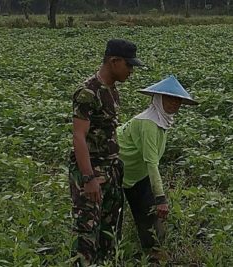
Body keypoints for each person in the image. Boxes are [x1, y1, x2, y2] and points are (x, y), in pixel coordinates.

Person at [69, 39, 144, 266]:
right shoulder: (88, 92)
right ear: (114, 61)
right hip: (92, 171)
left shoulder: (111, 90)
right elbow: (78, 136)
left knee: (109, 234)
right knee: (87, 234)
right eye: (128, 66)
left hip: (111, 170)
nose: (131, 71)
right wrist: (88, 178)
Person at [117, 75, 198, 262]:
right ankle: (113, 255)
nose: (174, 104)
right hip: (117, 169)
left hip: (138, 173)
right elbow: (151, 162)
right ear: (158, 99)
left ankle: (153, 253)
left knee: (149, 214)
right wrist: (161, 198)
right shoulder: (148, 123)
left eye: (178, 100)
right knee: (113, 218)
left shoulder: (161, 120)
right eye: (170, 98)